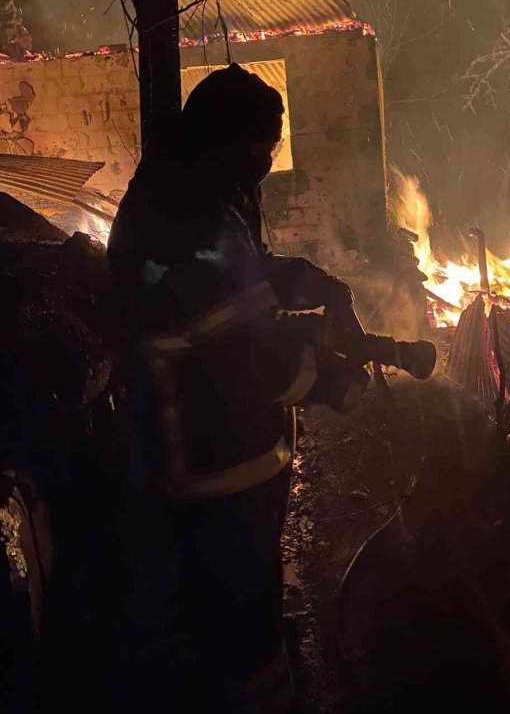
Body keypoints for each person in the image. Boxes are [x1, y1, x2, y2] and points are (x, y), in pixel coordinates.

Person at [107, 63, 367, 712]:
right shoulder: (190, 214)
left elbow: (231, 279)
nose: (266, 165)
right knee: (234, 640)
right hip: (209, 466)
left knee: (226, 617)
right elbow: (244, 353)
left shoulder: (188, 186)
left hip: (212, 462)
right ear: (226, 142)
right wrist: (328, 376)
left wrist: (303, 280)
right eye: (261, 152)